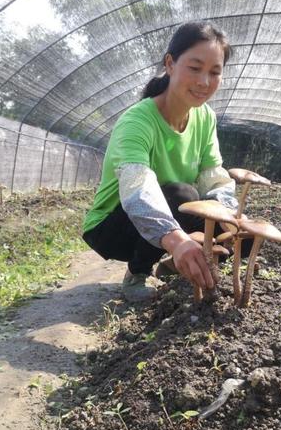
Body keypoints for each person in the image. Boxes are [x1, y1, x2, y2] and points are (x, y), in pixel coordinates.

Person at [82, 21, 239, 302]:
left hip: (165, 214)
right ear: (170, 63)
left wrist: (230, 219)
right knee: (181, 193)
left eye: (215, 72)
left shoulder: (205, 118)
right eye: (195, 68)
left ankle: (173, 269)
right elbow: (137, 189)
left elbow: (213, 176)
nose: (204, 81)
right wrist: (178, 241)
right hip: (113, 225)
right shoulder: (137, 121)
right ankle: (137, 273)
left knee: (237, 233)